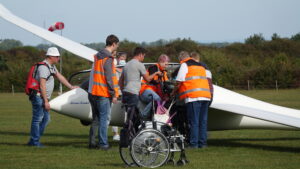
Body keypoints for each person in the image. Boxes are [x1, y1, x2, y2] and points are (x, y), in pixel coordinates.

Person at [27, 47, 78, 147]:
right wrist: (46, 101)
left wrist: (71, 87)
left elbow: (60, 77)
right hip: (39, 97)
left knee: (45, 119)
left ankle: (34, 140)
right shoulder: (43, 68)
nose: (58, 58)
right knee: (38, 119)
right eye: (57, 57)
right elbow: (42, 85)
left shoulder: (51, 66)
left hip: (42, 97)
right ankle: (34, 141)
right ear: (51, 56)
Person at [118, 47, 161, 146]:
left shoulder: (127, 64)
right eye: (144, 56)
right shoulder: (139, 65)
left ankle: (129, 137)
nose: (143, 58)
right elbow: (148, 79)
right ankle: (129, 140)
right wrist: (156, 73)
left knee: (129, 116)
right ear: (140, 54)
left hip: (126, 93)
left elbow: (120, 81)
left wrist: (123, 90)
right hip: (133, 93)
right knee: (132, 118)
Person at [172, 51, 212, 148]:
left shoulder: (185, 65)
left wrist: (173, 92)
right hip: (206, 95)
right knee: (202, 121)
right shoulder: (201, 65)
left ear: (181, 59)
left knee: (193, 121)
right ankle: (203, 143)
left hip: (194, 96)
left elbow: (179, 81)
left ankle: (193, 144)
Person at [88, 34, 119, 150]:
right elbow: (109, 78)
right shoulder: (109, 58)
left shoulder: (97, 56)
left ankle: (92, 143)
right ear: (114, 44)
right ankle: (103, 144)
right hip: (103, 93)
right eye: (117, 45)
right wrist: (113, 93)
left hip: (93, 92)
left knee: (95, 119)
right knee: (104, 119)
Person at [139, 54, 170, 119]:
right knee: (157, 99)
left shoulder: (164, 72)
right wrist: (156, 74)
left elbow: (166, 84)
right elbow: (151, 80)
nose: (166, 66)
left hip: (153, 92)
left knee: (160, 100)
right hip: (145, 90)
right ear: (160, 62)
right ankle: (143, 116)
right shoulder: (154, 68)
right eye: (165, 64)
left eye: (167, 64)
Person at [111, 52, 127, 141]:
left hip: (124, 93)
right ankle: (115, 133)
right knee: (114, 113)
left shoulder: (126, 69)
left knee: (125, 114)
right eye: (122, 57)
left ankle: (124, 132)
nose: (123, 59)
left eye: (124, 57)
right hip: (116, 94)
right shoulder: (114, 69)